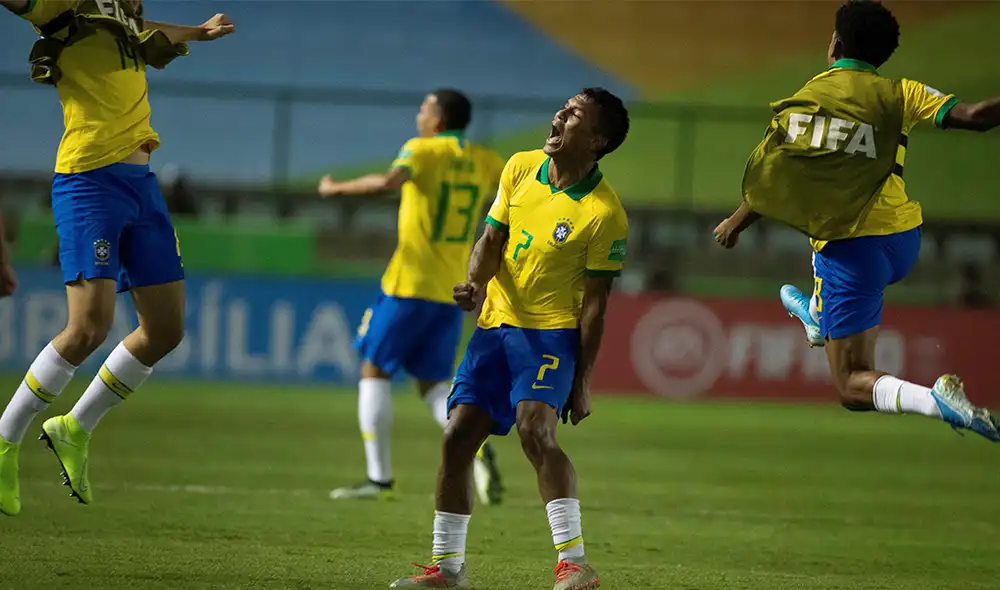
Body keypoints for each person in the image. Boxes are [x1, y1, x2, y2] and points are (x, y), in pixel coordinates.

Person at [713, 0, 1000, 441]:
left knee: (850, 384)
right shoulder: (901, 92)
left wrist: (737, 220)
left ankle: (935, 399)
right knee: (830, 209)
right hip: (904, 240)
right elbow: (977, 117)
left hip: (852, 251)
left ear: (835, 44)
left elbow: (774, 178)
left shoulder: (808, 99)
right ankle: (816, 314)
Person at [0, 0, 234, 517]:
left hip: (142, 186)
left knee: (166, 330)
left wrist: (195, 32)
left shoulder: (120, 9)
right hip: (89, 182)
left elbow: (143, 28)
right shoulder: (64, 3)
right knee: (88, 328)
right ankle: (4, 440)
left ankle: (74, 428)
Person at [390, 87, 630, 590]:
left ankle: (575, 565)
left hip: (549, 338)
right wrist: (476, 282)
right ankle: (448, 570)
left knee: (534, 431)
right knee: (456, 438)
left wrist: (582, 381)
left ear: (597, 141)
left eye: (576, 115)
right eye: (563, 106)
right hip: (494, 327)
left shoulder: (604, 214)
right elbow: (491, 239)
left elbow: (596, 305)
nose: (561, 114)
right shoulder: (521, 167)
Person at [318, 89, 507, 504]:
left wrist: (336, 189)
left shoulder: (421, 151)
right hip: (452, 289)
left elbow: (387, 182)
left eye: (424, 108)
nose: (418, 114)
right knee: (431, 383)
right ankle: (476, 445)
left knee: (374, 369)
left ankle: (379, 479)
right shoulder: (485, 159)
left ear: (438, 120)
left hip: (408, 284)